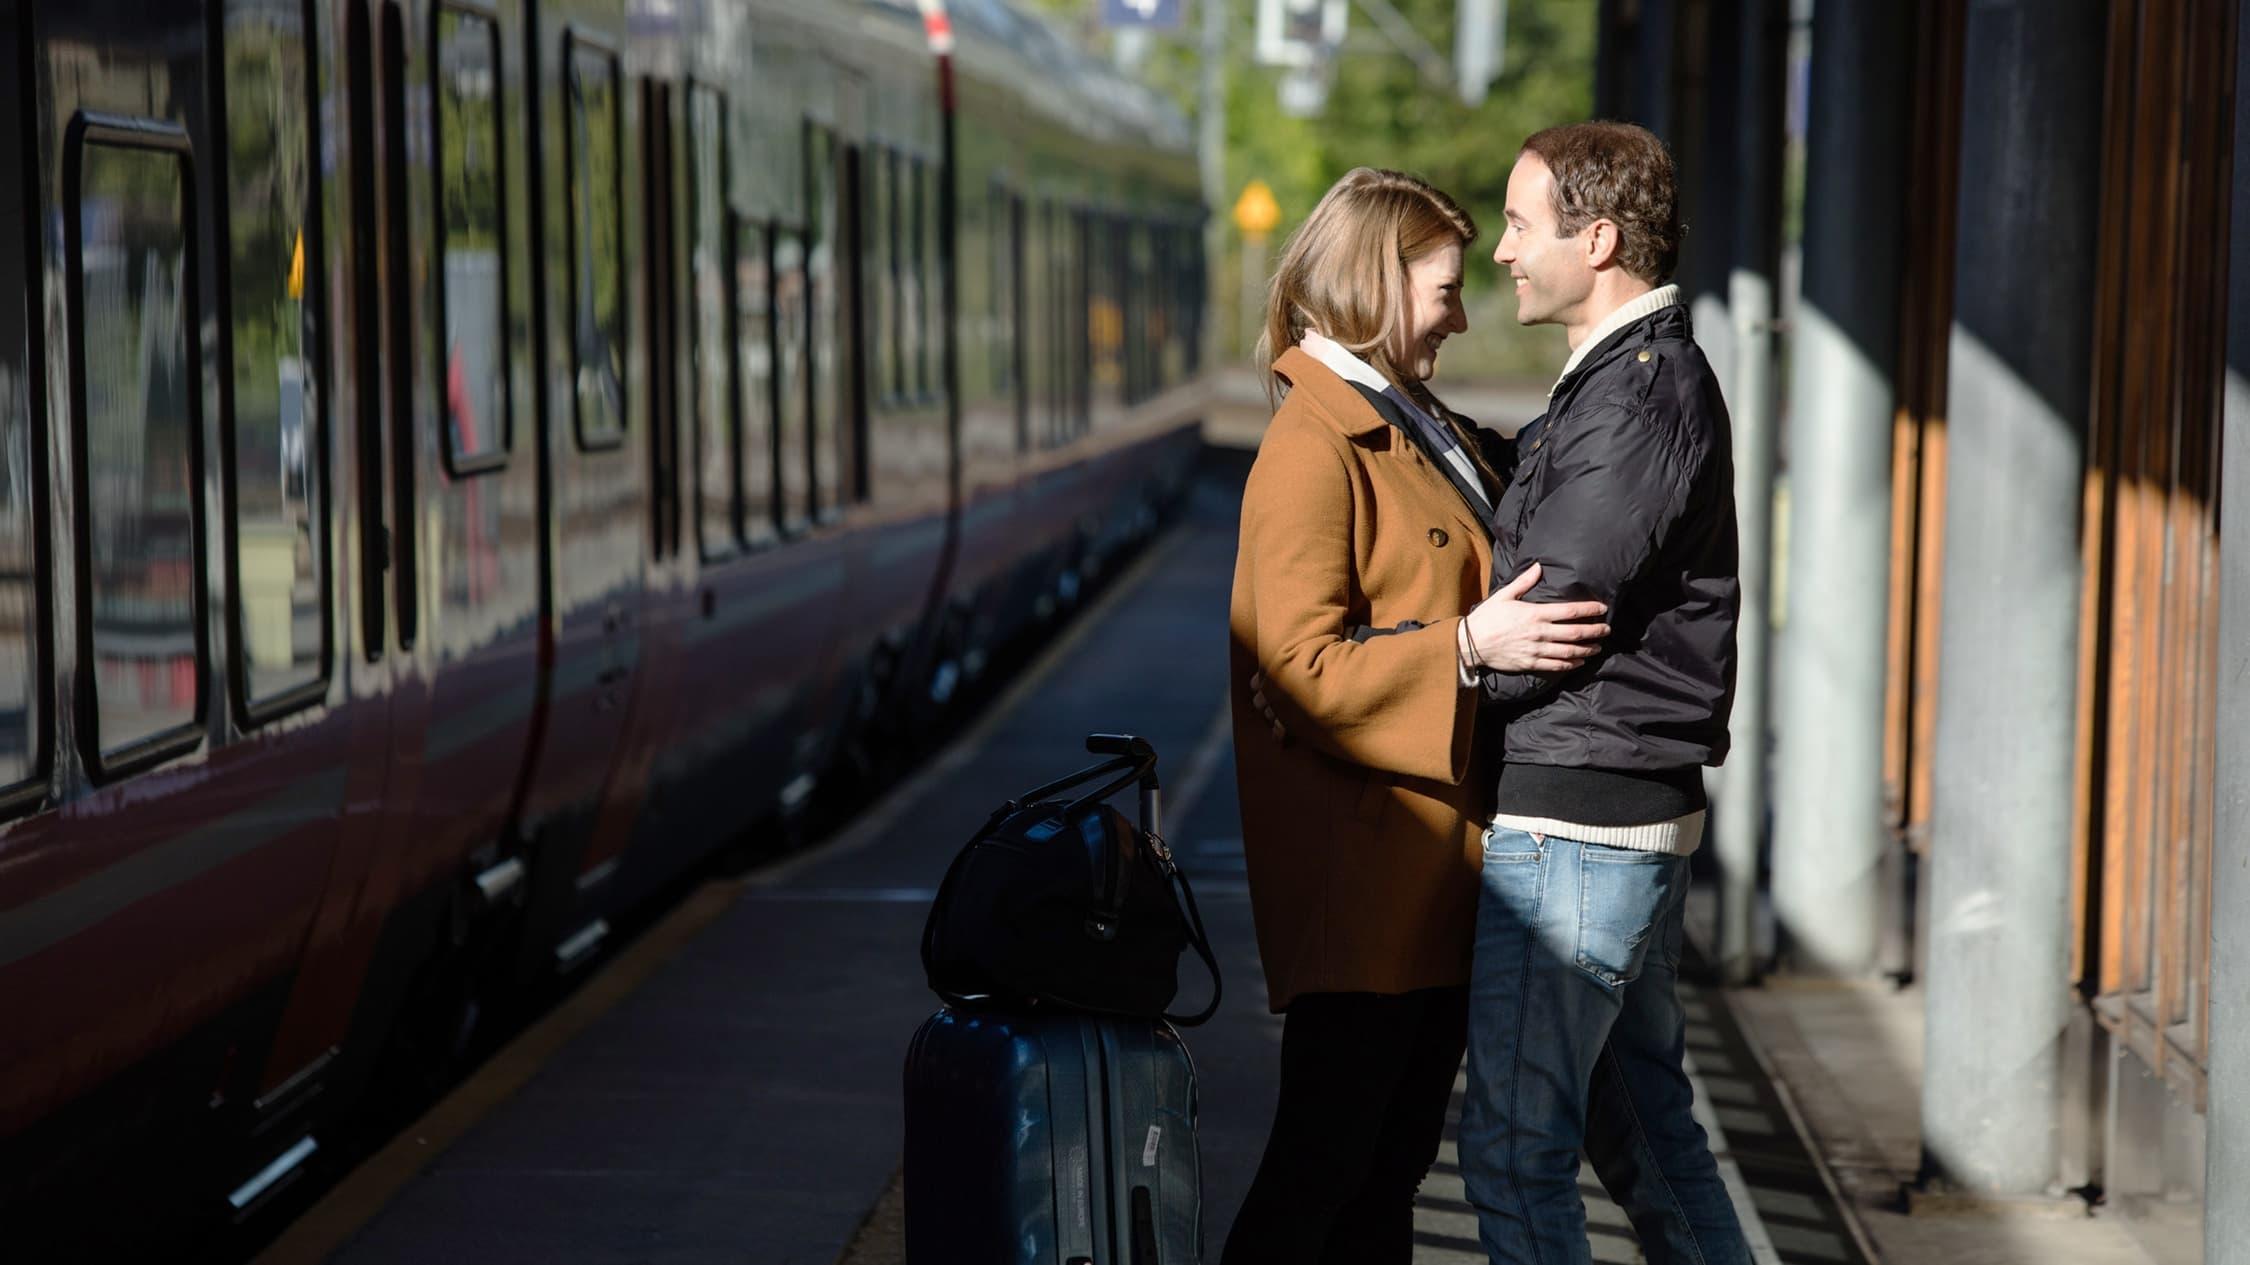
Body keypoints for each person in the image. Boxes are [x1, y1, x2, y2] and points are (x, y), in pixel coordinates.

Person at [1224, 167, 1610, 1265]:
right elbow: (1296, 665)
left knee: (1376, 1178)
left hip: (1428, 870)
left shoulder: (1412, 418)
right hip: (1367, 887)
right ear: (1377, 284)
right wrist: (1463, 647)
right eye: (1443, 287)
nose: (1461, 311)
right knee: (1322, 1174)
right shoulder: (1314, 444)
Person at [1457, 122, 1750, 1265]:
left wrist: (1449, 651)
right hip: (1613, 810)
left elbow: (1551, 617)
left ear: (1601, 237)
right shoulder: (1619, 383)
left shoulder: (1635, 397)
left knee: (1514, 1148)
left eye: (1522, 227)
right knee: (1645, 1136)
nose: (1503, 255)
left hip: (1579, 825)